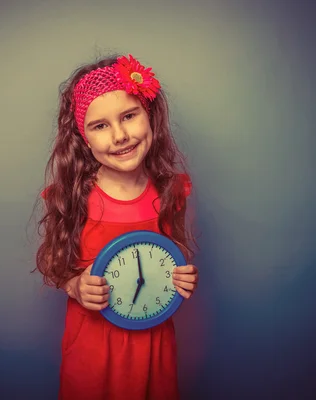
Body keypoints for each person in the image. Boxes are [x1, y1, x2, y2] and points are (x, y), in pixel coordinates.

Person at [34, 54, 199, 400]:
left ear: (149, 114)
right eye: (100, 125)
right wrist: (75, 285)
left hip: (153, 342)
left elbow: (169, 256)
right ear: (84, 137)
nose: (120, 135)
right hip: (94, 347)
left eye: (128, 116)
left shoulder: (171, 192)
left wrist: (181, 276)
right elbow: (52, 259)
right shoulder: (73, 197)